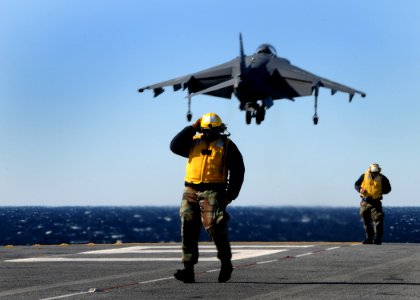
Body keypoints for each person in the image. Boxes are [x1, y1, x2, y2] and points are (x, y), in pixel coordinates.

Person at [170, 112, 245, 283]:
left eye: (212, 131)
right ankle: (188, 270)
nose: (208, 134)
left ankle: (226, 263)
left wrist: (230, 195)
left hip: (214, 191)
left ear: (220, 130)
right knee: (187, 227)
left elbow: (238, 171)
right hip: (190, 189)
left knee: (215, 227)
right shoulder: (192, 142)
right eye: (205, 130)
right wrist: (191, 128)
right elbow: (174, 146)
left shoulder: (227, 146)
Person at [354, 163, 391, 245]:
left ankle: (378, 238)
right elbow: (356, 184)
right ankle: (369, 238)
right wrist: (360, 189)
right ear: (370, 171)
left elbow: (388, 188)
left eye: (376, 172)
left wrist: (380, 191)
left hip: (376, 202)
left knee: (378, 220)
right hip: (365, 202)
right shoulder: (364, 176)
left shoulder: (382, 178)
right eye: (373, 172)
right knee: (366, 220)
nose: (374, 174)